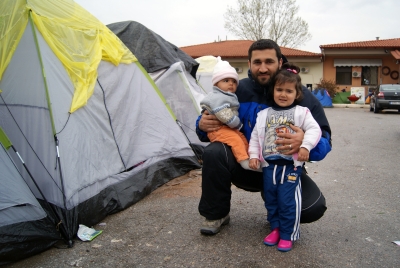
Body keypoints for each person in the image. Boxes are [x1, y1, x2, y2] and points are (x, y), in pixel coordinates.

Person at [196, 39, 332, 235]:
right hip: (246, 165)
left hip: (285, 170)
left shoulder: (302, 95)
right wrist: (201, 125)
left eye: (269, 61)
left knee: (312, 209)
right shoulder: (235, 90)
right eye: (257, 62)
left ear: (279, 62)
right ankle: (216, 213)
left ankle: (276, 205)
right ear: (249, 64)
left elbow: (326, 138)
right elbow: (209, 117)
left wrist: (305, 142)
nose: (263, 68)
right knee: (214, 151)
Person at [248, 63, 321, 252]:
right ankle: (275, 228)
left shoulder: (301, 112)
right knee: (271, 200)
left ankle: (288, 233)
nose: (283, 94)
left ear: (296, 94)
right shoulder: (263, 114)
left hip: (290, 167)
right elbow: (256, 136)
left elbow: (315, 129)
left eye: (288, 91)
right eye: (279, 89)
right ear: (273, 91)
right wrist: (254, 155)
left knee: (288, 201)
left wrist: (305, 146)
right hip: (269, 167)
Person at [200, 57, 257, 171]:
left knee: (242, 139)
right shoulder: (217, 96)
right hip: (219, 129)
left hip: (227, 128)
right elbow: (222, 113)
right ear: (216, 84)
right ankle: (243, 161)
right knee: (235, 141)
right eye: (226, 81)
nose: (231, 84)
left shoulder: (228, 95)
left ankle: (250, 159)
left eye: (234, 81)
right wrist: (237, 124)